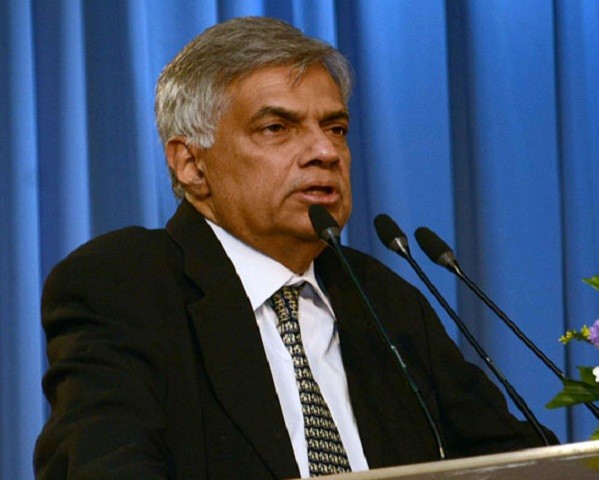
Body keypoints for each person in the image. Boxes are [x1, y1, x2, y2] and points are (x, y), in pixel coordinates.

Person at [34, 16, 554, 480]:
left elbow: (515, 461)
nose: (325, 151)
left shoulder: (384, 299)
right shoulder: (125, 284)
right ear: (191, 164)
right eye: (277, 128)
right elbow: (100, 463)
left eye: (336, 128)